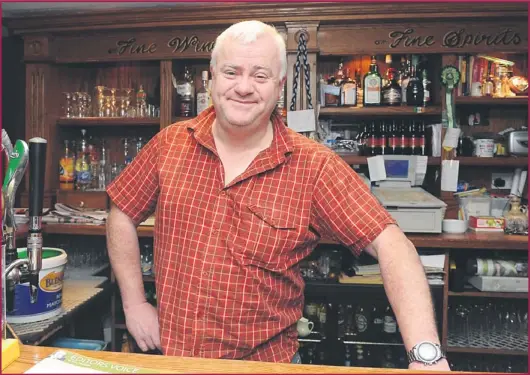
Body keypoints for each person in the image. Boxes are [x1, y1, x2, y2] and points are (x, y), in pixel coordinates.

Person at [106, 20, 450, 370]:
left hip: (267, 364)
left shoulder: (313, 166)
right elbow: (122, 211)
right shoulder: (169, 144)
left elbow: (393, 245)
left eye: (260, 75)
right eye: (231, 72)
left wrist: (427, 355)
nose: (243, 87)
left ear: (279, 85)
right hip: (175, 360)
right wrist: (134, 304)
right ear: (211, 77)